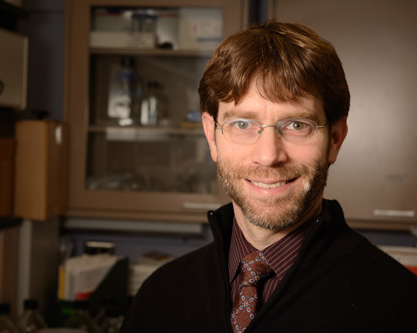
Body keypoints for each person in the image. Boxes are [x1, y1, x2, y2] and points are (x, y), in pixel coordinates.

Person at [120, 20, 417, 333]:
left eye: (296, 125)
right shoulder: (161, 296)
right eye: (243, 124)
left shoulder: (399, 307)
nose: (268, 155)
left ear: (334, 139)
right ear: (212, 136)